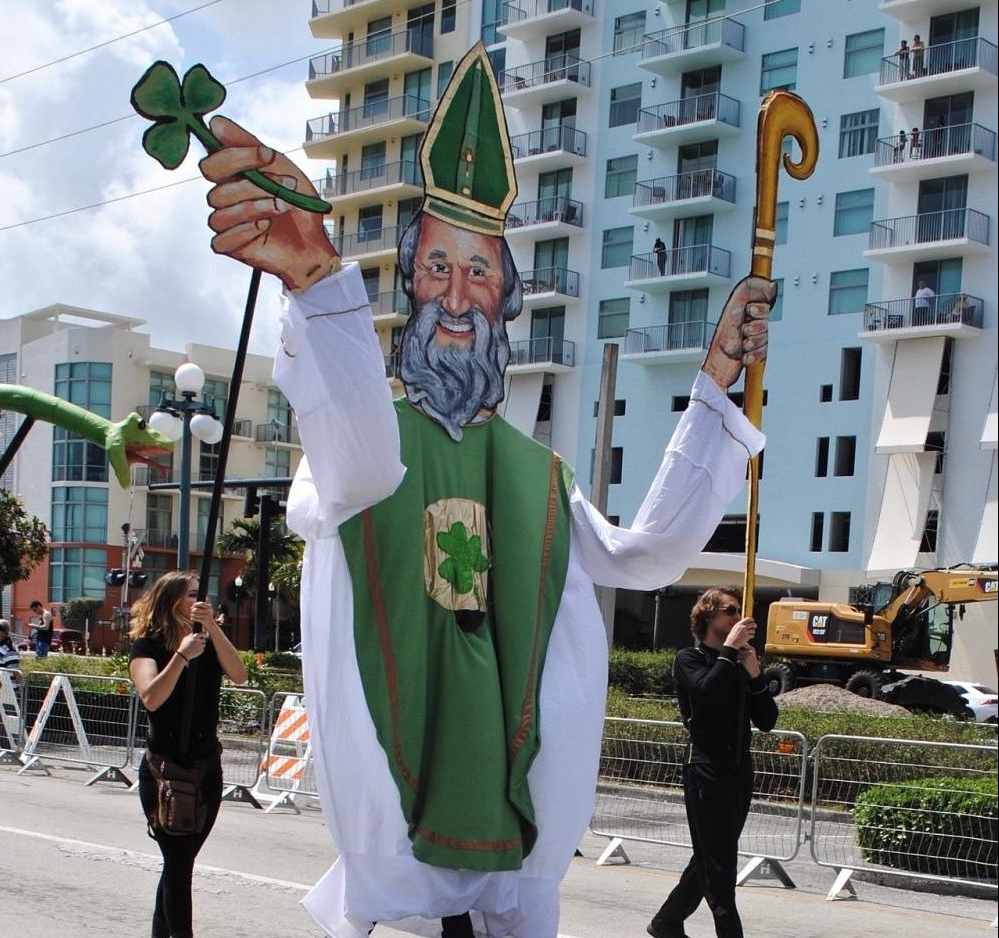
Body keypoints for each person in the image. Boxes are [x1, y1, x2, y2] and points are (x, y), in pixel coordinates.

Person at [196, 42, 771, 938]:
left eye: (479, 273)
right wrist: (317, 287)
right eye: (437, 270)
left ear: (505, 296)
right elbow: (358, 472)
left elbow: (645, 555)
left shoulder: (534, 473)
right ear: (409, 282)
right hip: (402, 866)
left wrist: (716, 386)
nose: (457, 298)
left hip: (515, 864)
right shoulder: (369, 435)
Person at [648, 588, 778, 938]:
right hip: (706, 770)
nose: (738, 617)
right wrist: (729, 650)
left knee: (711, 855)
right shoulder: (689, 659)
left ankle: (667, 922)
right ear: (708, 616)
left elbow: (767, 719)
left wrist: (755, 676)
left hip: (739, 771)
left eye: (739, 611)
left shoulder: (736, 663)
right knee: (721, 867)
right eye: (730, 610)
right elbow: (705, 694)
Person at [129, 571, 247, 938]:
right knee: (179, 869)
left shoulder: (207, 641)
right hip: (165, 771)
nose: (199, 601)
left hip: (205, 768)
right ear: (170, 600)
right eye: (191, 595)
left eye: (202, 595)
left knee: (178, 866)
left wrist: (211, 627)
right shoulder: (147, 646)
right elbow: (151, 697)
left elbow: (239, 674)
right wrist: (181, 656)